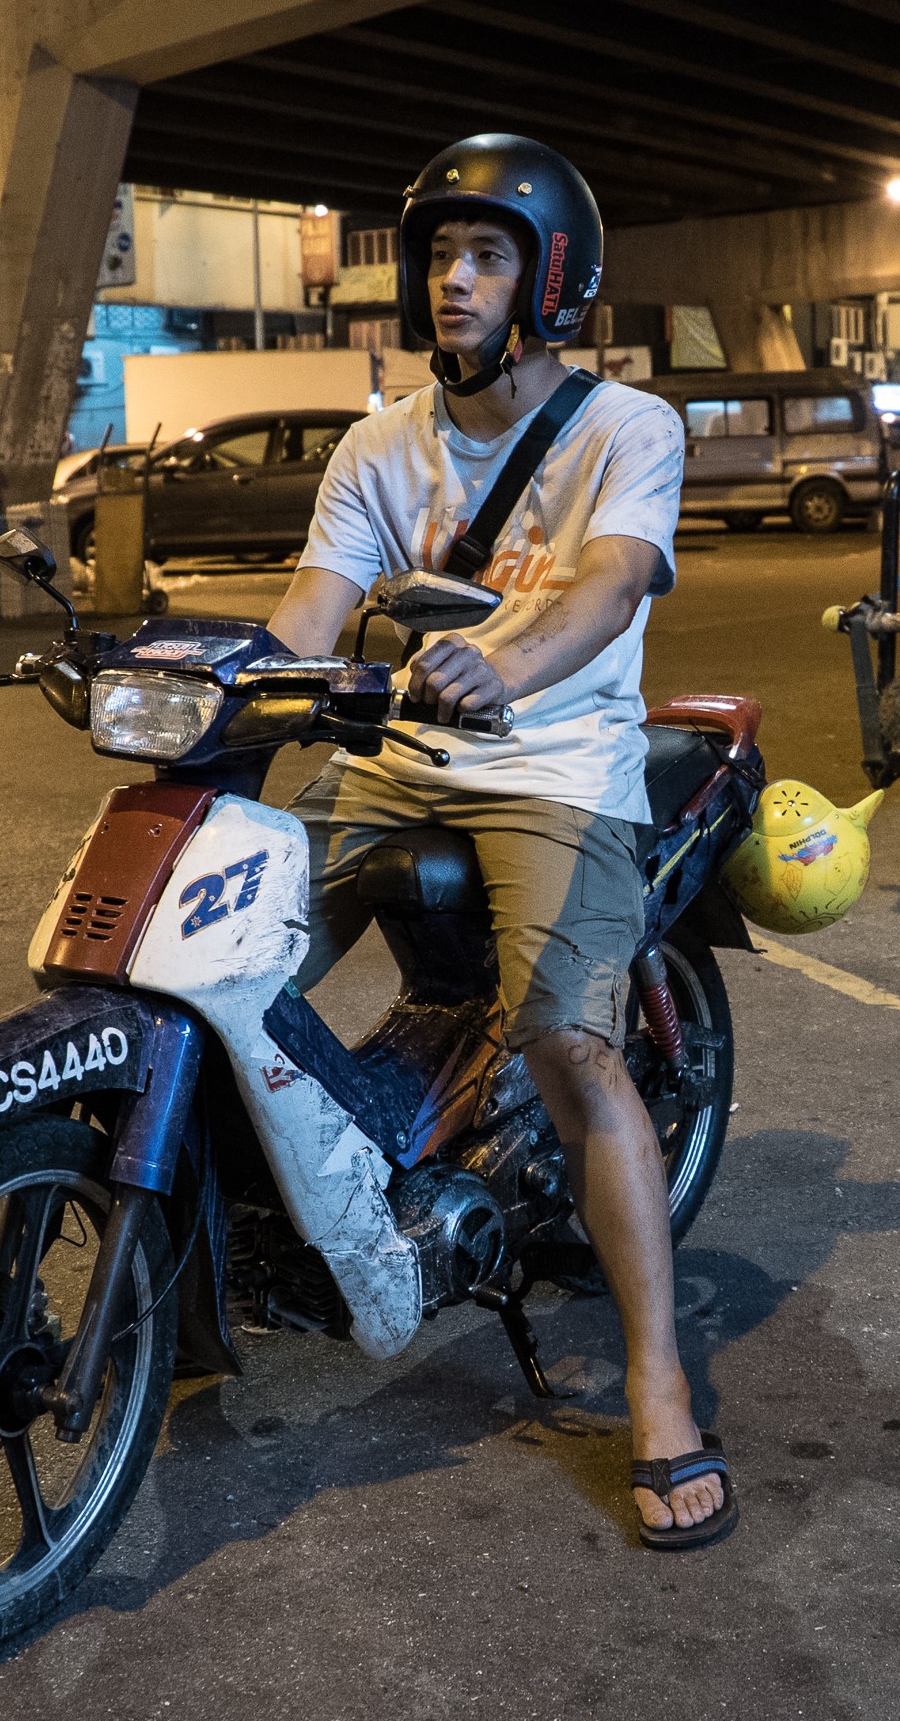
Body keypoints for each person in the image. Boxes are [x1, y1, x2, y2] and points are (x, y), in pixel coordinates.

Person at [261, 135, 734, 1550]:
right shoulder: (375, 444)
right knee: (225, 947)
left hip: (556, 765)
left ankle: (658, 1385)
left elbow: (603, 594)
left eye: (487, 256)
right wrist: (203, 676)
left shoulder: (627, 431)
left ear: (552, 278)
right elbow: (306, 614)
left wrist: (507, 669)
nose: (454, 279)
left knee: (570, 1049)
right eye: (440, 257)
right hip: (400, 761)